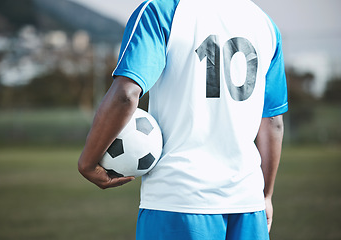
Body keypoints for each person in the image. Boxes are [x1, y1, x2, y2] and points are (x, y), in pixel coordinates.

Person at [78, 0, 288, 239]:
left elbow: (126, 95)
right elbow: (272, 122)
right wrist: (266, 195)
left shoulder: (163, 10)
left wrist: (87, 162)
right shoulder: (264, 23)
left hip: (178, 200)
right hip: (248, 203)